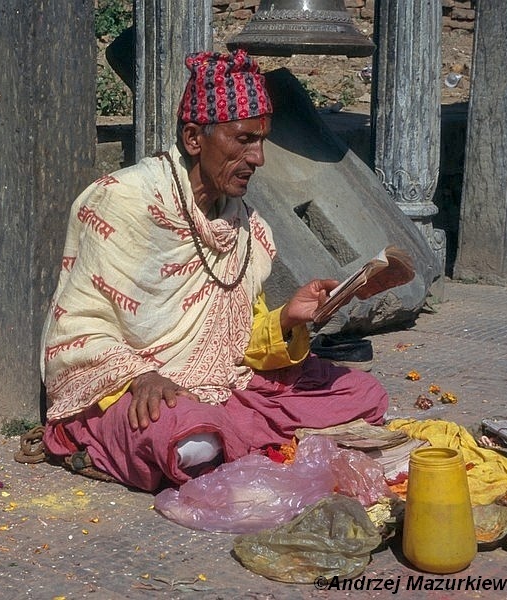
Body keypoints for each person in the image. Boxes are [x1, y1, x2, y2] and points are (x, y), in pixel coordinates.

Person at [39, 50, 388, 492]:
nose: (258, 158)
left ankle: (229, 437)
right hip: (137, 390)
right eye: (243, 140)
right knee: (191, 441)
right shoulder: (120, 201)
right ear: (193, 139)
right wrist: (138, 376)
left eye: (261, 141)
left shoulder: (244, 222)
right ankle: (106, 441)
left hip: (223, 384)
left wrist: (287, 319)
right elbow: (77, 326)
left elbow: (236, 342)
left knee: (362, 395)